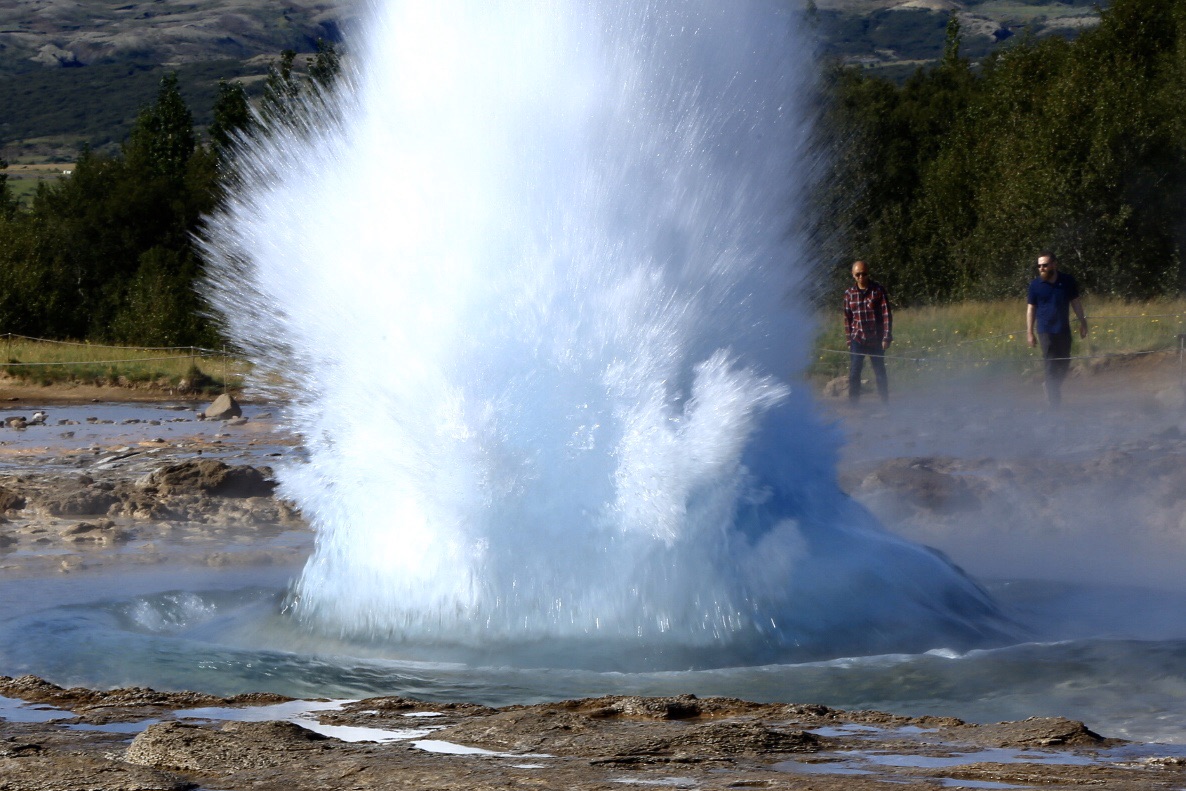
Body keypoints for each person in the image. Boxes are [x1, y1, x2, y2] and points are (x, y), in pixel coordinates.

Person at [1026, 250, 1087, 407]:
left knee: (1065, 363)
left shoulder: (1067, 281)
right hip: (1045, 330)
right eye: (1039, 266)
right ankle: (1054, 403)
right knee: (1051, 364)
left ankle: (1050, 386)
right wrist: (1029, 332)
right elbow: (1031, 309)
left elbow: (1076, 302)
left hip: (1063, 329)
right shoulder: (1035, 285)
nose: (1041, 268)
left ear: (1054, 264)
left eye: (1045, 265)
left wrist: (1083, 322)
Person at [843, 259, 892, 403]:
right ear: (853, 275)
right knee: (854, 372)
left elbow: (886, 314)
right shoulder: (849, 294)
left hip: (875, 338)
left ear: (868, 274)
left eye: (864, 274)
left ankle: (885, 402)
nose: (861, 277)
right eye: (858, 274)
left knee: (879, 372)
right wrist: (848, 340)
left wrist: (886, 337)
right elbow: (847, 318)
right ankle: (854, 405)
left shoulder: (878, 290)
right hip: (857, 338)